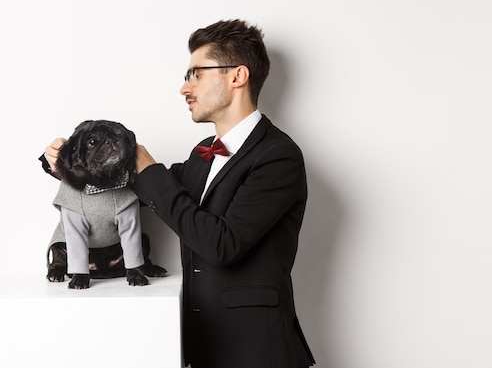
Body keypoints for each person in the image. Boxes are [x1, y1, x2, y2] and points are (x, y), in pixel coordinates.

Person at [43, 19, 314, 368]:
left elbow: (222, 245)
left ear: (237, 76)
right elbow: (127, 193)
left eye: (195, 74)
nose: (184, 89)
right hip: (201, 348)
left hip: (260, 353)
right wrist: (62, 162)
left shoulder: (278, 156)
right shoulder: (204, 152)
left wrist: (150, 170)